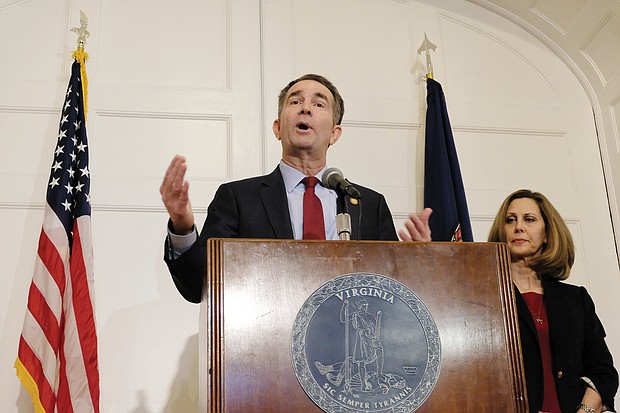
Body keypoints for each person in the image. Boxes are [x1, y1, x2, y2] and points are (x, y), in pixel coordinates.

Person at [160, 73, 432, 303]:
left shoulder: (367, 205)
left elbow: (393, 296)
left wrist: (420, 263)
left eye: (319, 104)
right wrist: (182, 227)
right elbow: (199, 287)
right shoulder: (238, 199)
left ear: (335, 133)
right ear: (278, 128)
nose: (305, 108)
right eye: (296, 101)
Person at [488, 189, 618, 413]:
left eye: (529, 219)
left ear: (547, 233)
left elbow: (603, 371)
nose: (519, 226)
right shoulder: (485, 298)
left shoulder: (575, 299)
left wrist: (584, 411)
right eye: (510, 220)